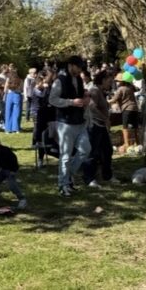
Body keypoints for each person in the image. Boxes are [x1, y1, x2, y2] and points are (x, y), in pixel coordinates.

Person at [49, 55, 92, 198]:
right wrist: (71, 102)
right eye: (78, 67)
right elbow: (52, 99)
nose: (80, 70)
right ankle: (63, 184)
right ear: (71, 65)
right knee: (65, 155)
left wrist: (85, 98)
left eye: (81, 68)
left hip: (79, 121)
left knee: (86, 149)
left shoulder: (78, 79)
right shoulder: (59, 80)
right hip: (65, 122)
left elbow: (79, 95)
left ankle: (69, 176)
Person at [83, 70, 115, 188]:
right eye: (109, 81)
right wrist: (104, 118)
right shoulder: (95, 91)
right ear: (103, 80)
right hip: (94, 125)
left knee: (107, 150)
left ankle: (107, 176)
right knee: (92, 152)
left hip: (100, 126)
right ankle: (89, 178)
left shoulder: (100, 91)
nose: (110, 84)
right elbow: (92, 106)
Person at [0, 132, 27, 209]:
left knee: (12, 186)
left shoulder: (5, 150)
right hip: (1, 170)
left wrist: (13, 171)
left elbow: (13, 159)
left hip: (10, 170)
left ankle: (22, 199)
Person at [110, 72, 141, 154]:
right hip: (135, 108)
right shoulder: (130, 87)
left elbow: (114, 99)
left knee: (125, 127)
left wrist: (107, 102)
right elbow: (137, 89)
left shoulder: (121, 89)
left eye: (118, 81)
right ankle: (138, 142)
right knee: (135, 127)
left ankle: (126, 144)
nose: (117, 83)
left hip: (127, 109)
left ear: (121, 81)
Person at [32, 70, 56, 169]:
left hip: (52, 113)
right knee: (41, 136)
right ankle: (40, 158)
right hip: (43, 114)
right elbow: (42, 98)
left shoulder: (54, 86)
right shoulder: (42, 88)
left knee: (52, 135)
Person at [4, 68, 23, 133]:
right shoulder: (20, 79)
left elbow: (5, 89)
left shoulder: (8, 79)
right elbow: (21, 89)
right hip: (17, 95)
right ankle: (16, 128)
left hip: (9, 95)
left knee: (8, 112)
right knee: (16, 112)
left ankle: (8, 129)